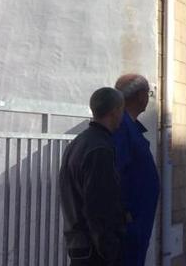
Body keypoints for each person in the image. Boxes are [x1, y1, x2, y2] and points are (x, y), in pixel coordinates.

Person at [59, 87, 127, 266]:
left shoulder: (79, 142)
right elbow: (99, 205)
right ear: (115, 111)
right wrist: (109, 249)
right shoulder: (100, 149)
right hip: (95, 251)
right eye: (122, 109)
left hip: (79, 245)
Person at [112, 74, 160, 266]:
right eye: (148, 93)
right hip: (131, 222)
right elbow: (115, 171)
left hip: (137, 220)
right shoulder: (122, 127)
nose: (148, 98)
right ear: (141, 96)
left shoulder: (130, 125)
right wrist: (125, 213)